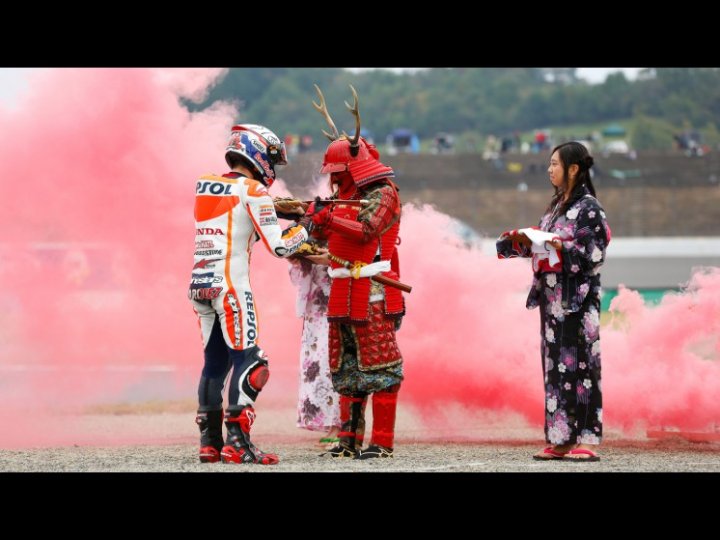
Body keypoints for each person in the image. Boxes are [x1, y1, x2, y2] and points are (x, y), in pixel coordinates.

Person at [190, 124, 308, 465]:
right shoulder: (254, 191)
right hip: (231, 287)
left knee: (215, 363)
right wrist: (305, 227)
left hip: (200, 285)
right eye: (272, 158)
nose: (272, 166)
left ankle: (210, 444)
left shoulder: (204, 184)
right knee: (253, 362)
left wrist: (280, 209)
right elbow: (281, 247)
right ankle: (237, 443)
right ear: (257, 153)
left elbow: (236, 221)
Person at [302, 85, 405, 459]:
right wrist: (310, 220)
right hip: (342, 289)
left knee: (382, 365)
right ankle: (347, 440)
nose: (333, 180)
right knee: (345, 369)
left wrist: (326, 217)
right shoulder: (342, 198)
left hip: (374, 288)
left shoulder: (384, 193)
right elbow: (322, 234)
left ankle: (382, 442)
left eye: (338, 172)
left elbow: (367, 230)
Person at [496, 141, 611, 462]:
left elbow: (594, 253)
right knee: (555, 368)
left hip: (578, 300)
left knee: (583, 366)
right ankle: (560, 438)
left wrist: (557, 244)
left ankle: (587, 439)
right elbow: (542, 247)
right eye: (549, 164)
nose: (549, 170)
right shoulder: (556, 207)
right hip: (552, 302)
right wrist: (518, 242)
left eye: (555, 164)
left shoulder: (589, 209)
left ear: (574, 169)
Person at [287, 249, 343, 446]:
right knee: (316, 365)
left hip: (339, 299)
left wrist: (315, 254)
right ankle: (331, 424)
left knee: (333, 361)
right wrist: (295, 255)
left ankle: (341, 426)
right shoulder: (309, 229)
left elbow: (345, 256)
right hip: (316, 307)